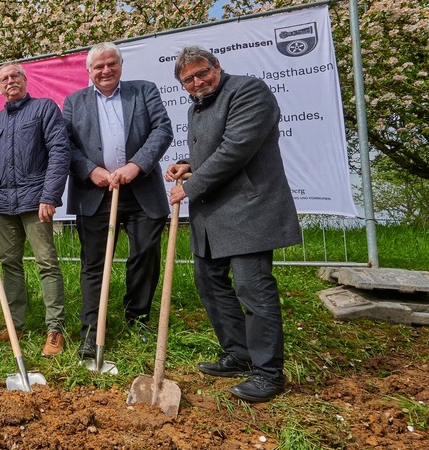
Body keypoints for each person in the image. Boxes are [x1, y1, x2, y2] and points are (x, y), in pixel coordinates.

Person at [165, 45, 302, 403]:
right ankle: (238, 353)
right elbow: (213, 152)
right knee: (209, 282)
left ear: (217, 66)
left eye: (201, 73)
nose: (196, 82)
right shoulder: (198, 107)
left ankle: (268, 373)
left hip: (248, 210)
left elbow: (236, 148)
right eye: (188, 80)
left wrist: (191, 187)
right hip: (213, 215)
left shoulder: (248, 91)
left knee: (252, 289)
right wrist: (187, 165)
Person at [63, 42, 173, 360]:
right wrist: (89, 170)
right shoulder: (74, 102)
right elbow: (65, 144)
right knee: (94, 264)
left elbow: (162, 130)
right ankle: (91, 331)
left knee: (144, 254)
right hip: (95, 193)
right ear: (89, 72)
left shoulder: (143, 91)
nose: (106, 70)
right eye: (98, 66)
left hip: (141, 190)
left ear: (121, 65)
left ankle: (137, 318)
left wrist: (135, 166)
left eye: (112, 64)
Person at [0, 63, 70, 357]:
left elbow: (59, 152)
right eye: (4, 79)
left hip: (36, 201)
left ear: (25, 81)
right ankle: (14, 325)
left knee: (46, 263)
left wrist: (49, 195)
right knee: (10, 263)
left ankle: (55, 330)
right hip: (4, 205)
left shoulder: (44, 109)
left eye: (15, 76)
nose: (10, 81)